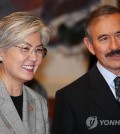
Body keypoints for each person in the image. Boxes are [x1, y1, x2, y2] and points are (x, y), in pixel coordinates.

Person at [51, 5, 120, 134]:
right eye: (104, 38)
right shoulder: (69, 98)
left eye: (119, 35)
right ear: (90, 46)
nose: (115, 46)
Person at [0, 11, 51, 134]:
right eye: (25, 48)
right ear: (1, 52)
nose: (34, 57)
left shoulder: (39, 102)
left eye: (38, 50)